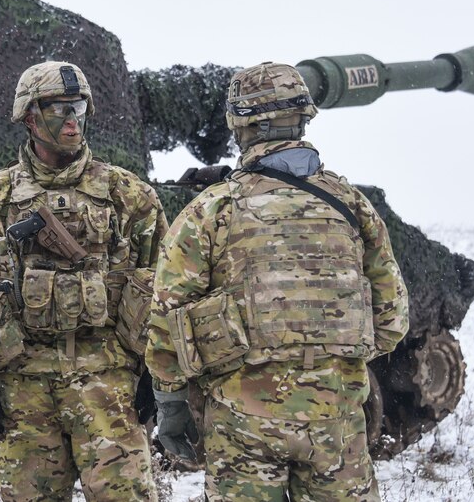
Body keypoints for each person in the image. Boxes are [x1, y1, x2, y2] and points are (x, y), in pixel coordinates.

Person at [147, 61, 409, 502]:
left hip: (242, 426)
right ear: (304, 118)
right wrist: (329, 366)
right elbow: (392, 318)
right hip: (337, 425)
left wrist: (171, 406)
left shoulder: (212, 210)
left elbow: (166, 320)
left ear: (240, 126)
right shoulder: (352, 207)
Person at [0, 61, 166, 501]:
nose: (72, 119)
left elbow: (165, 292)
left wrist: (157, 373)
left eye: (78, 107)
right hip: (22, 392)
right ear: (28, 115)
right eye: (58, 108)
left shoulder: (128, 195)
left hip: (107, 386)